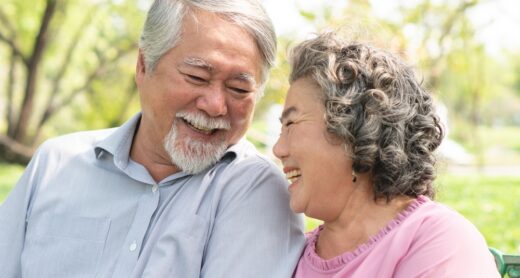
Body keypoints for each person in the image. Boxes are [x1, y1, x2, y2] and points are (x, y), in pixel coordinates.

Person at [0, 0, 305, 277]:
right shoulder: (55, 164)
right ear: (143, 66)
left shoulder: (258, 191)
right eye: (197, 78)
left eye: (238, 89)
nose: (215, 105)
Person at [273, 31, 500, 277]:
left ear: (356, 128)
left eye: (291, 124)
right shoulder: (292, 254)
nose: (278, 149)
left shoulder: (441, 242)